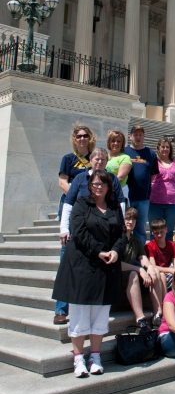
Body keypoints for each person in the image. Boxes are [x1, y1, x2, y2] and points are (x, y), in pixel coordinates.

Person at [52, 171, 127, 377]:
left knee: (100, 316)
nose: (99, 187)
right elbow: (79, 231)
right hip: (83, 266)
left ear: (109, 187)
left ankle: (95, 356)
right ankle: (78, 359)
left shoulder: (113, 207)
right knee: (79, 315)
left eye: (103, 184)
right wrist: (99, 250)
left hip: (106, 268)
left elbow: (122, 233)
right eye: (95, 184)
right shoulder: (81, 204)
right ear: (90, 185)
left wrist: (115, 251)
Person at [54, 124, 96, 325]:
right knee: (66, 260)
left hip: (91, 213)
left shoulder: (93, 159)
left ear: (90, 138)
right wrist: (79, 195)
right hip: (72, 209)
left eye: (85, 135)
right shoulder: (68, 159)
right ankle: (61, 309)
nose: (82, 138)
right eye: (79, 136)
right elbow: (62, 183)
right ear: (74, 138)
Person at [121, 207, 163, 331]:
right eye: (127, 219)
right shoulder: (117, 239)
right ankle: (140, 319)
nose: (130, 222)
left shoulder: (135, 241)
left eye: (133, 220)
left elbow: (143, 258)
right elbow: (117, 264)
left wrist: (149, 267)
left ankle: (157, 315)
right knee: (134, 274)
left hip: (130, 275)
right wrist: (140, 270)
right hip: (116, 276)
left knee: (155, 271)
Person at [124, 126, 160, 245]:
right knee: (124, 228)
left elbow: (153, 175)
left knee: (140, 230)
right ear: (130, 137)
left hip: (143, 198)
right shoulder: (124, 152)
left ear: (144, 137)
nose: (138, 137)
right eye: (135, 135)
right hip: (126, 197)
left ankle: (139, 255)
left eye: (140, 135)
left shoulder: (150, 153)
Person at [148, 138, 175, 241]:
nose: (165, 149)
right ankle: (154, 255)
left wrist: (173, 191)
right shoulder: (153, 161)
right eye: (163, 147)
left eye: (167, 147)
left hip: (172, 203)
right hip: (154, 202)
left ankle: (168, 255)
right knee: (155, 231)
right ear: (158, 148)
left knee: (168, 231)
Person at [144, 218, 175, 315]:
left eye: (161, 232)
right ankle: (165, 309)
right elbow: (153, 266)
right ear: (152, 233)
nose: (159, 235)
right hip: (157, 273)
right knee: (162, 276)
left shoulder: (172, 245)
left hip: (169, 273)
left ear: (166, 230)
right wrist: (170, 270)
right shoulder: (149, 246)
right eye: (156, 233)